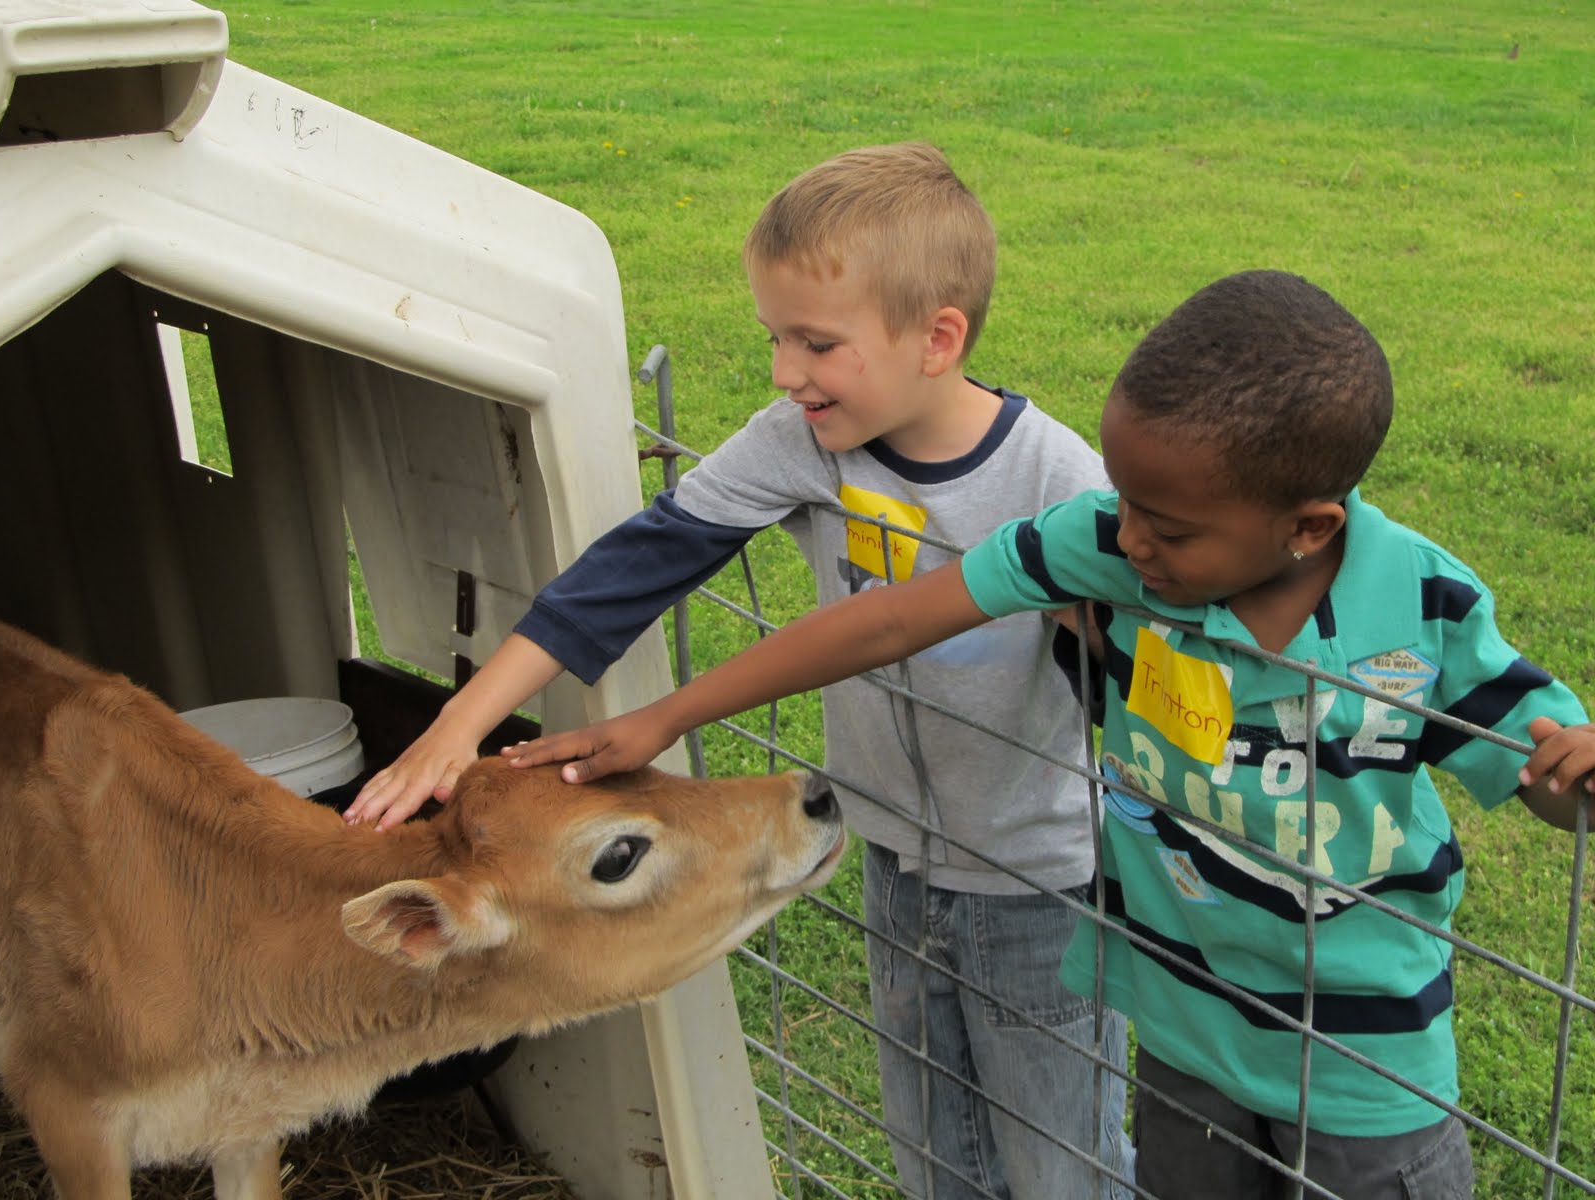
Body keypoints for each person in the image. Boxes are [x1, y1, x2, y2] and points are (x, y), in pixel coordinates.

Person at [512, 269, 1595, 1200]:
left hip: (1364, 1060)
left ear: (1307, 527)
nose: (1126, 537)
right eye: (1121, 501)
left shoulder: (1426, 612)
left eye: (1163, 527)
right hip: (1181, 1029)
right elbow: (887, 616)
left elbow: (1540, 776)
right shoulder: (1106, 546)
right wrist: (663, 715)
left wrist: (1570, 777)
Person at [346, 142, 1134, 1200]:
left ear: (937, 338)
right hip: (893, 856)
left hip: (1040, 878)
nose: (782, 373)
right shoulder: (806, 439)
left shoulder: (1055, 479)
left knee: (1062, 1167)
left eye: (815, 343)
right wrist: (459, 726)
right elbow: (635, 568)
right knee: (935, 1149)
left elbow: (1136, 679)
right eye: (775, 338)